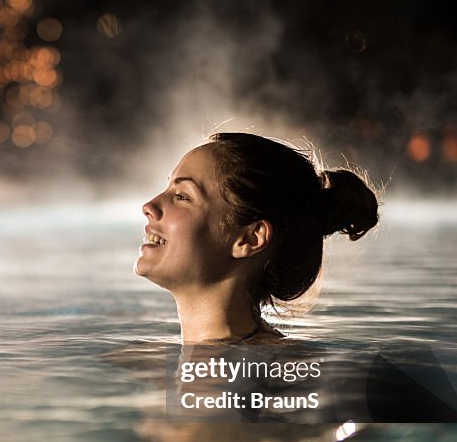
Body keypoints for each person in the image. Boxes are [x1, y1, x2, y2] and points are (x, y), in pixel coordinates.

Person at [135, 132, 379, 344]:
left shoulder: (261, 373)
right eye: (168, 189)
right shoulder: (234, 365)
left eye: (182, 196)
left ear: (251, 239)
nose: (149, 206)